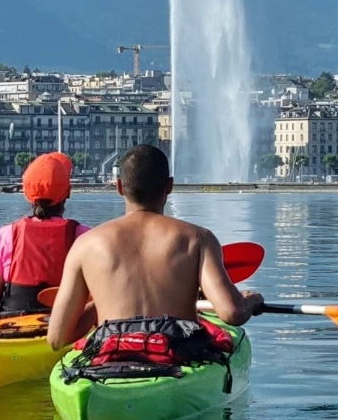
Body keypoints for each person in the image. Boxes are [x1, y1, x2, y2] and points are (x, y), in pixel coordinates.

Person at [47, 144, 263, 351]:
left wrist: (102, 300)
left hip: (111, 359)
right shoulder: (198, 239)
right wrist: (251, 301)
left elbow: (57, 338)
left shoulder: (85, 245)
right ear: (169, 186)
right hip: (176, 356)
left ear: (119, 187)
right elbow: (231, 313)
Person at [0, 152, 89, 321]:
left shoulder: (6, 235)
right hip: (66, 324)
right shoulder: (85, 237)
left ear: (26, 194)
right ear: (68, 192)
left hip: (14, 321)